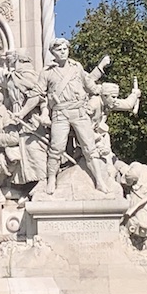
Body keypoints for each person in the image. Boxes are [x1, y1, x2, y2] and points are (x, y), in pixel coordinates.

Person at [39, 38, 108, 195]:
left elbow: (89, 83)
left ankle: (99, 181)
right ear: (52, 52)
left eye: (65, 48)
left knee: (90, 148)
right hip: (60, 113)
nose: (63, 51)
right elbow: (39, 94)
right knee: (56, 149)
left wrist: (99, 87)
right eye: (59, 49)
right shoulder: (47, 72)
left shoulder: (77, 67)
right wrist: (43, 111)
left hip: (79, 111)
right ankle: (51, 180)